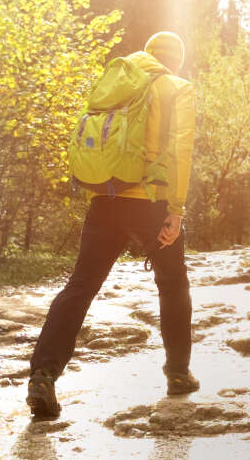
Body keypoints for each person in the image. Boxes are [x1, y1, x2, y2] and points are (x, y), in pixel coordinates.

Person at [26, 30, 198, 420]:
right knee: (172, 284)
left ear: (148, 54)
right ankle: (178, 374)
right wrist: (176, 210)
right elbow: (181, 149)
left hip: (104, 199)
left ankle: (42, 375)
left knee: (81, 286)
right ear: (175, 60)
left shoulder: (116, 81)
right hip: (151, 202)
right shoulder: (176, 87)